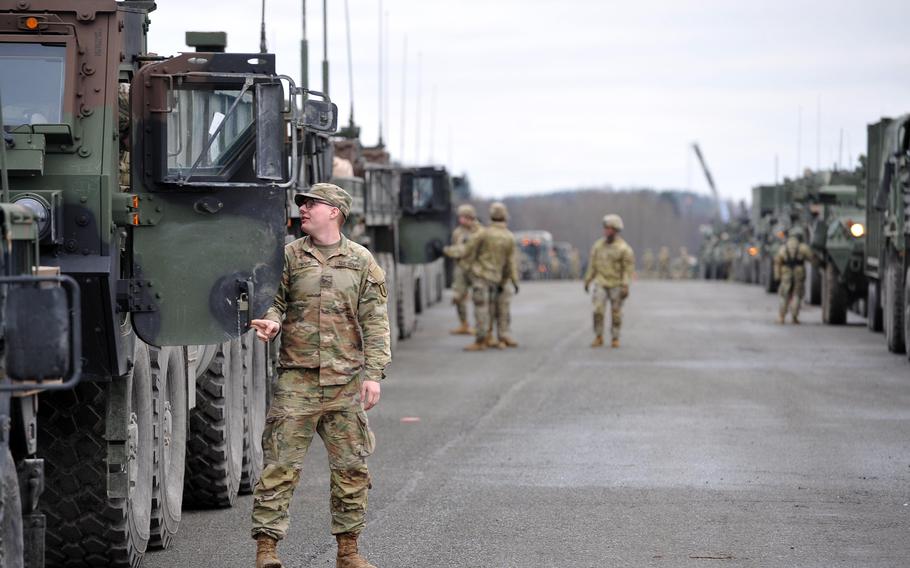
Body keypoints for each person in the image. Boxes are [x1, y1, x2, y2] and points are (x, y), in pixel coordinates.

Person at [249, 183, 390, 568]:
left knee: (351, 469)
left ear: (335, 212)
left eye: (313, 204)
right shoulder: (289, 257)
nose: (305, 209)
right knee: (279, 467)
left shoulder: (361, 261)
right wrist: (272, 323)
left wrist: (373, 374)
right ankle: (267, 551)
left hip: (345, 383)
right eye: (304, 204)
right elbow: (274, 303)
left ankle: (348, 552)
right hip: (298, 380)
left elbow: (375, 321)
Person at [461, 202, 519, 351]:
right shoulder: (509, 237)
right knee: (500, 308)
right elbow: (510, 263)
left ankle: (482, 339)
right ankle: (501, 336)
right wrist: (513, 280)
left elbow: (468, 250)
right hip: (498, 278)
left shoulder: (483, 233)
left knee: (482, 308)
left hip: (481, 276)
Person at [584, 214, 635, 348]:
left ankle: (615, 337)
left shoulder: (624, 249)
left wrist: (625, 285)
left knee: (616, 312)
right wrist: (587, 280)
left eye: (609, 228)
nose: (606, 231)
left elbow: (627, 269)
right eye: (605, 228)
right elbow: (592, 265)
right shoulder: (598, 246)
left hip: (616, 284)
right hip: (601, 282)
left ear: (616, 230)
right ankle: (599, 336)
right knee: (597, 310)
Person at [443, 203, 481, 335]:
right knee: (458, 296)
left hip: (476, 268)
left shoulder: (479, 231)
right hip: (461, 268)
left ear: (470, 217)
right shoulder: (457, 232)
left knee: (479, 298)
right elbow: (455, 248)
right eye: (460, 217)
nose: (461, 220)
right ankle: (464, 324)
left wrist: (448, 251)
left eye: (464, 217)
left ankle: (480, 326)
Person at [774, 227, 814, 324]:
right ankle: (794, 317)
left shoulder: (783, 247)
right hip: (799, 272)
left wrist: (777, 276)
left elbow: (777, 262)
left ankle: (781, 317)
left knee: (784, 295)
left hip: (786, 272)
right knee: (797, 294)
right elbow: (811, 258)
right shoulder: (803, 247)